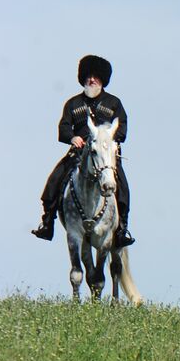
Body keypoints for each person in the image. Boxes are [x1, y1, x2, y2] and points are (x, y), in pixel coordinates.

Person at [32, 55, 134, 246]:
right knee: (53, 182)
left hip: (105, 156)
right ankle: (47, 223)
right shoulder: (73, 103)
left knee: (123, 189)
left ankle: (122, 230)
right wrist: (72, 137)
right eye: (88, 76)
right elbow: (63, 127)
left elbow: (122, 128)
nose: (91, 79)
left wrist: (108, 138)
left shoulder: (114, 103)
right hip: (78, 154)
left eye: (95, 76)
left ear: (103, 79)